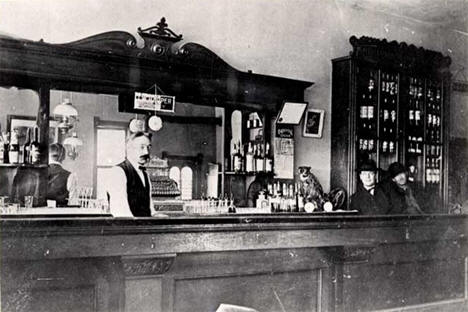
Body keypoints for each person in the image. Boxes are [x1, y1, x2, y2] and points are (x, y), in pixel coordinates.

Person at [107, 131, 156, 217]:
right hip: (129, 228)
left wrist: (156, 215)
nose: (146, 152)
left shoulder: (145, 175)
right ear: (129, 149)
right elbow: (121, 212)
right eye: (142, 147)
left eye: (148, 147)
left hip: (145, 227)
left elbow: (149, 207)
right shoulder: (118, 172)